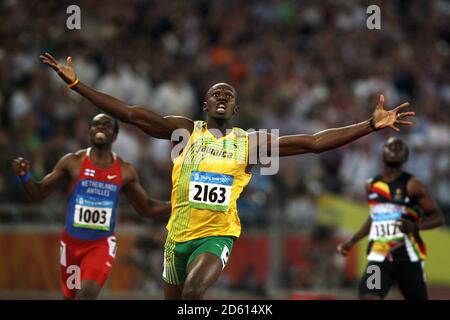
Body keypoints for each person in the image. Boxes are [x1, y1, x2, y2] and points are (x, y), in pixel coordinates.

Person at [40, 53, 414, 300]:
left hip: (218, 233)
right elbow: (132, 114)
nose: (221, 96)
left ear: (235, 108)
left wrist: (369, 124)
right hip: (176, 236)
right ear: (205, 105)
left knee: (192, 296)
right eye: (215, 93)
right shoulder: (185, 132)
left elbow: (314, 142)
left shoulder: (251, 145)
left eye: (228, 95)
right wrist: (77, 85)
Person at [12, 113, 171, 300]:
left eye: (107, 125)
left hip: (101, 245)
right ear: (89, 131)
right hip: (71, 244)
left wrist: (178, 204)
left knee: (86, 295)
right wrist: (24, 176)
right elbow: (38, 194)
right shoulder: (72, 163)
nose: (101, 127)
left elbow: (146, 207)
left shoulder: (125, 170)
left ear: (115, 135)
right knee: (70, 297)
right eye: (96, 124)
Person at [336, 137, 445, 300]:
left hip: (407, 257)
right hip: (380, 256)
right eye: (390, 146)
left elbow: (438, 217)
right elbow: (375, 217)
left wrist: (414, 226)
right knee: (369, 297)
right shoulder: (371, 185)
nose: (394, 149)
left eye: (399, 147)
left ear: (406, 157)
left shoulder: (413, 185)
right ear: (382, 153)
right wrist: (352, 241)